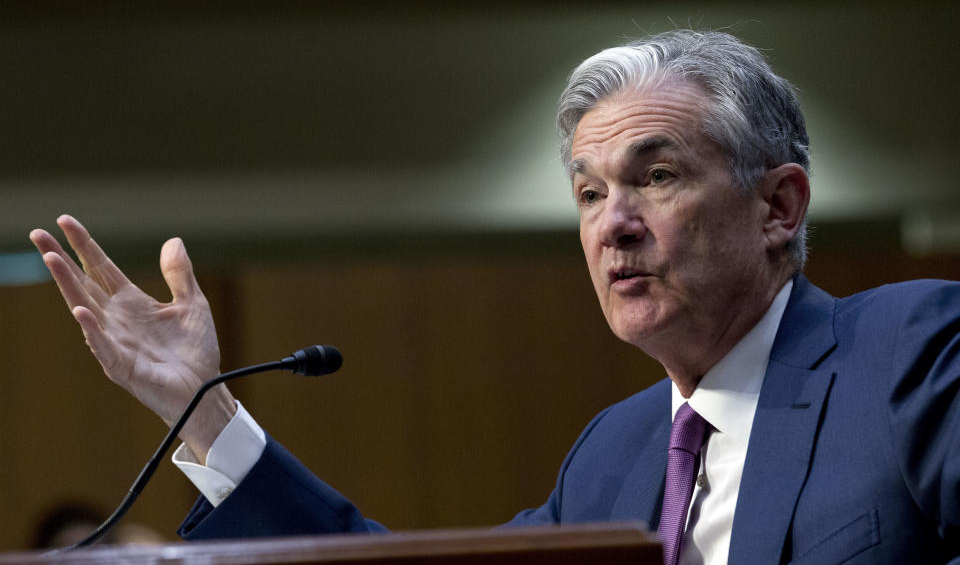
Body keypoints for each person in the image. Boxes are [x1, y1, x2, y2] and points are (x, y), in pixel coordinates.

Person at [30, 30, 959, 564]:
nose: (612, 225)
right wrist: (204, 415)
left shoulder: (903, 352)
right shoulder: (614, 457)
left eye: (658, 176)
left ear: (777, 206)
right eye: (590, 193)